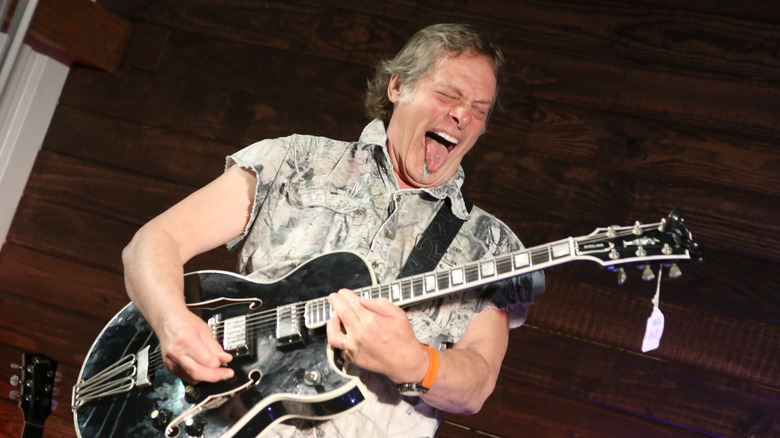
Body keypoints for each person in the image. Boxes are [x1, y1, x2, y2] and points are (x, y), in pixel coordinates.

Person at [122, 23, 544, 437]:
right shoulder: (295, 160)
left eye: (479, 110)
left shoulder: (493, 247)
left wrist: (415, 362)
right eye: (448, 95)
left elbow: (477, 385)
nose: (461, 115)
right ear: (397, 87)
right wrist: (172, 322)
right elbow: (155, 241)